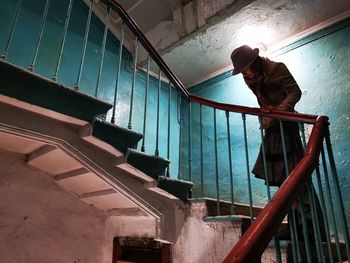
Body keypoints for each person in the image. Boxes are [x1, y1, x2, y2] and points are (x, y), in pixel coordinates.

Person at [230, 45, 326, 242]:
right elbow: (263, 100)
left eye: (246, 68)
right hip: (273, 131)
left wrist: (278, 113)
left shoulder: (276, 68)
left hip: (287, 127)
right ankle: (295, 228)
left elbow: (295, 92)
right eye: (242, 71)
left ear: (255, 62)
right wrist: (267, 112)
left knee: (299, 180)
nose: (244, 73)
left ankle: (314, 230)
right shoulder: (251, 78)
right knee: (284, 182)